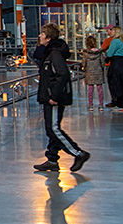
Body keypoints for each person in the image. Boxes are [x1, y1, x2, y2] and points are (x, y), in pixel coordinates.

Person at [33, 23, 90, 173]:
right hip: (50, 95)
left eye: (42, 34)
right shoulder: (50, 52)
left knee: (53, 129)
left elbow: (62, 74)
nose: (40, 36)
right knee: (51, 128)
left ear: (49, 37)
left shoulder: (55, 54)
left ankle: (78, 153)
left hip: (53, 97)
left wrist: (54, 95)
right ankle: (52, 159)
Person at [81, 35, 105, 111]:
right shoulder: (99, 52)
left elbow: (84, 63)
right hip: (98, 72)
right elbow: (102, 62)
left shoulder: (86, 53)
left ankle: (90, 105)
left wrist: (84, 68)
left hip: (89, 72)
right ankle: (101, 105)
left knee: (90, 89)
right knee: (100, 89)